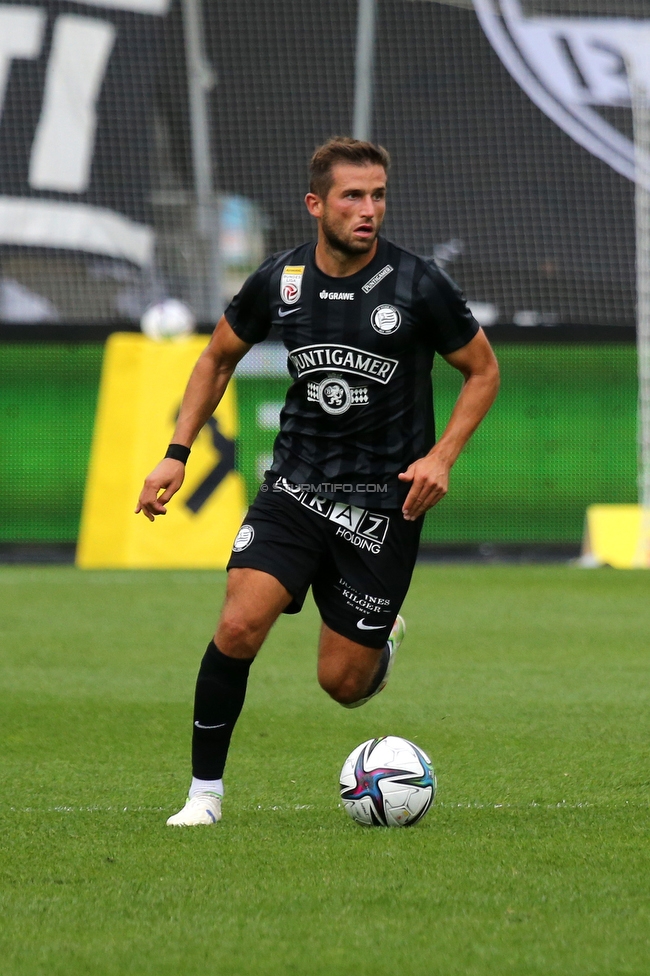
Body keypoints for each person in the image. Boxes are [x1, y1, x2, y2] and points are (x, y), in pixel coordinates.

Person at [136, 137, 500, 826]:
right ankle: (203, 796)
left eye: (379, 195)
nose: (369, 210)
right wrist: (175, 453)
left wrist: (442, 456)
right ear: (316, 204)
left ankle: (380, 640)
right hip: (296, 489)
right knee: (240, 625)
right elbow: (216, 359)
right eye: (353, 197)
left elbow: (483, 371)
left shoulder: (418, 284)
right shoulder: (280, 281)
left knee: (342, 684)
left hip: (384, 507)